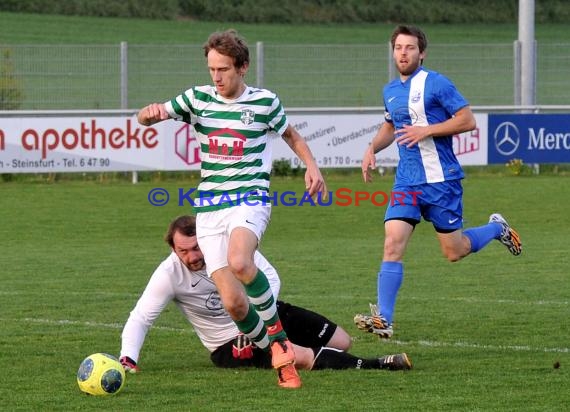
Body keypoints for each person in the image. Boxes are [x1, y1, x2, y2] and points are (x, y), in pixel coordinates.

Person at [137, 29, 327, 388]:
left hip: (249, 200)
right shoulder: (197, 99)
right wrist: (147, 116)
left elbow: (292, 136)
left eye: (223, 69)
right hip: (210, 209)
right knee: (234, 305)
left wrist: (311, 166)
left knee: (241, 262)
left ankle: (281, 343)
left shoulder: (265, 103)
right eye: (211, 69)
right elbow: (154, 114)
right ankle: (277, 351)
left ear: (242, 67)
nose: (217, 77)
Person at [355, 25, 522, 340]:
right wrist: (370, 149)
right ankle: (384, 319)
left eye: (410, 48)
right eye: (399, 47)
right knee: (392, 243)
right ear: (393, 52)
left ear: (422, 53)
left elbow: (467, 120)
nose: (403, 53)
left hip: (441, 181)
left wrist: (427, 130)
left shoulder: (437, 83)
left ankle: (497, 229)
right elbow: (390, 126)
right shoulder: (390, 90)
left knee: (454, 251)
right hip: (407, 182)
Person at [119, 215, 412, 375]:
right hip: (228, 344)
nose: (193, 256)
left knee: (342, 341)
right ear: (173, 249)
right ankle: (378, 365)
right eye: (183, 250)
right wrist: (127, 358)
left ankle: (317, 353)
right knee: (301, 357)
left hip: (266, 311)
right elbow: (141, 317)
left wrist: (261, 315)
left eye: (197, 247)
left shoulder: (228, 248)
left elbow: (270, 277)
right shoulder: (169, 274)